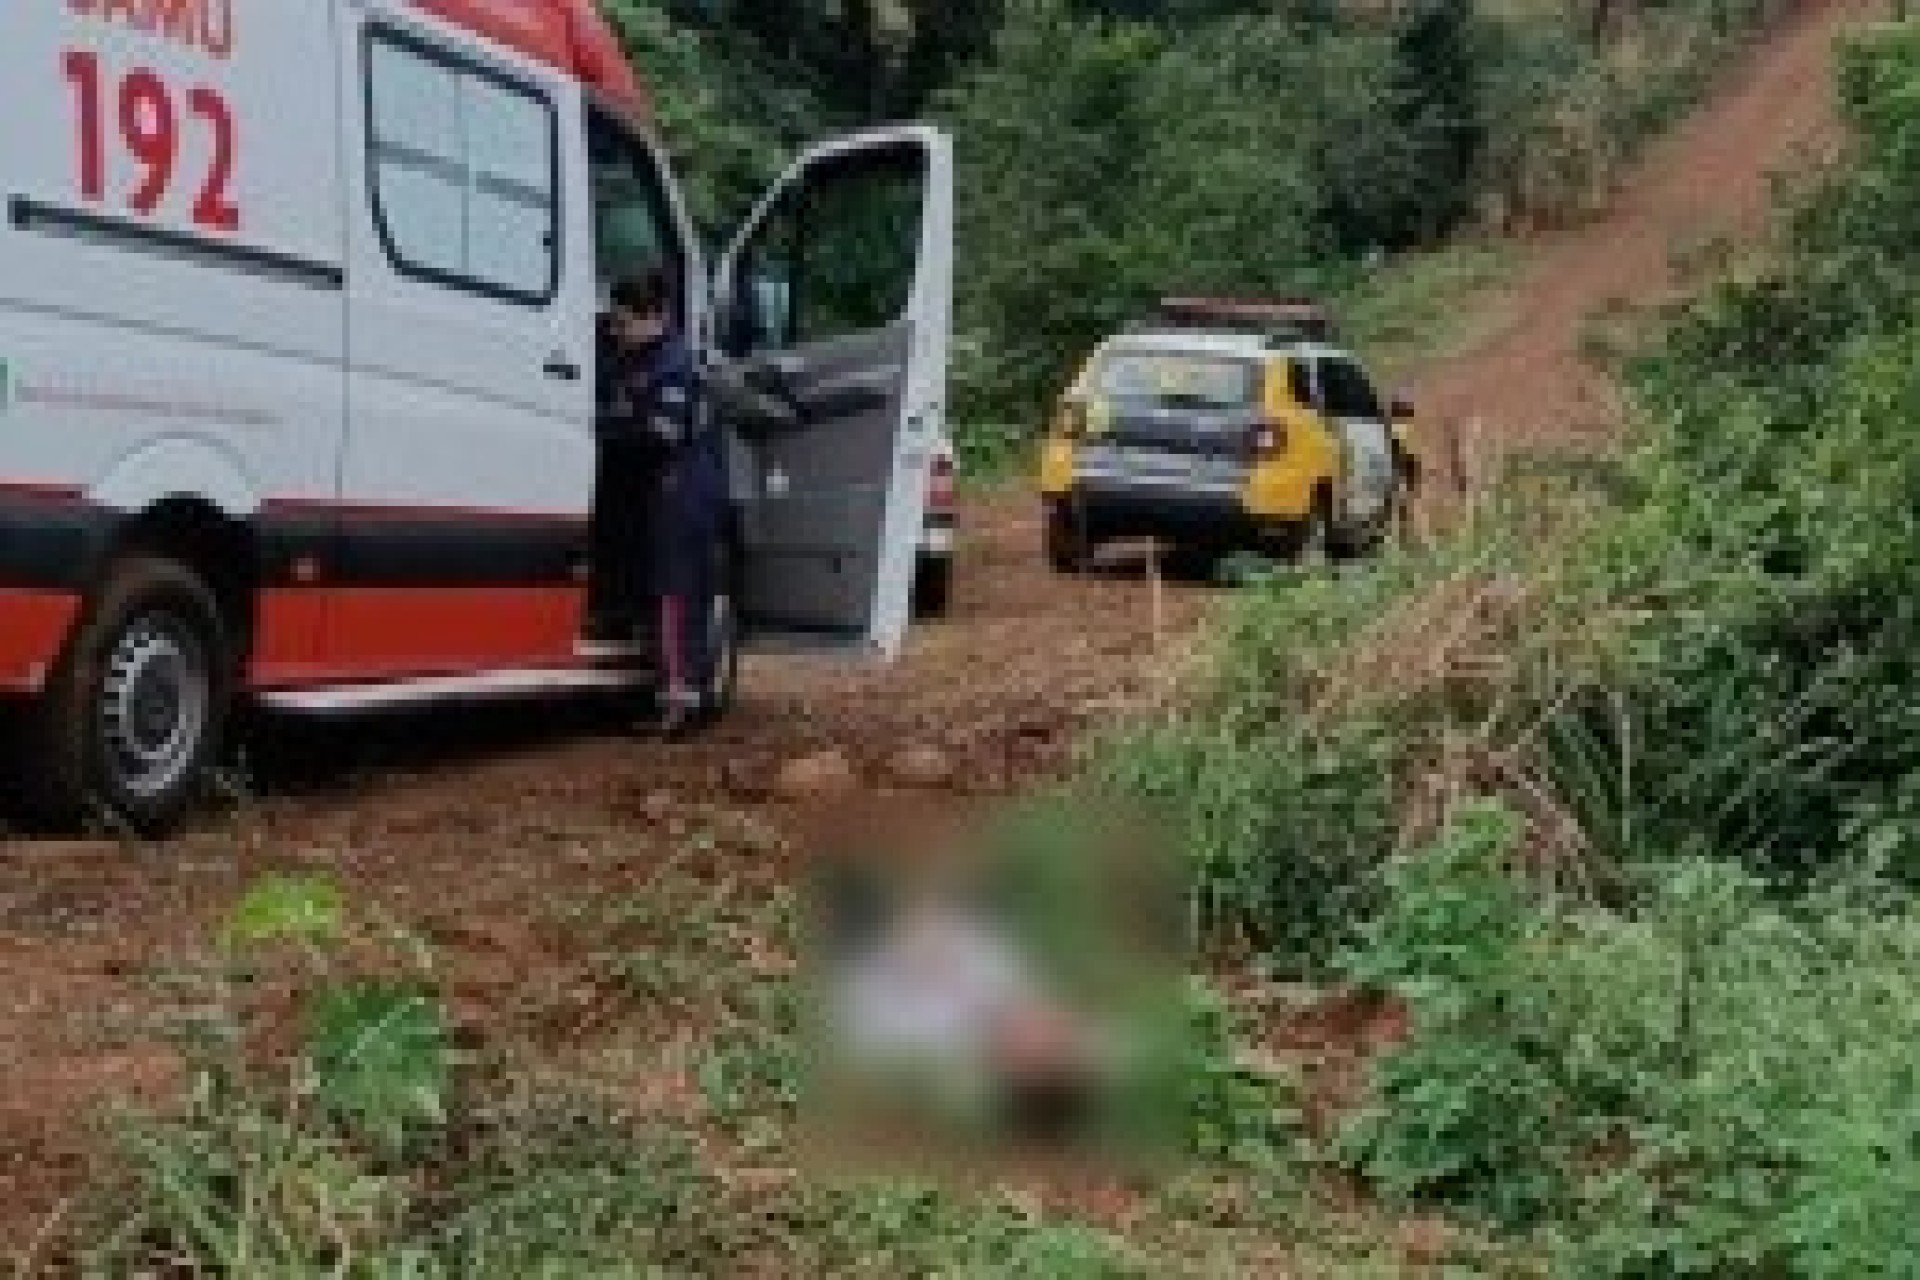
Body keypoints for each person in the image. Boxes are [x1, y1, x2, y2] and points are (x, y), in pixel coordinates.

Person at [597, 268, 729, 737]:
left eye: (621, 322)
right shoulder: (635, 357)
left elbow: (661, 432)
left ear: (655, 316)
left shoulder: (673, 363)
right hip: (666, 487)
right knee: (669, 592)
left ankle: (679, 704)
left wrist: (601, 431)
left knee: (675, 595)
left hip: (683, 487)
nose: (615, 331)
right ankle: (683, 693)